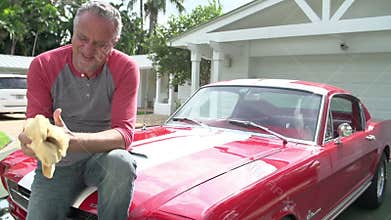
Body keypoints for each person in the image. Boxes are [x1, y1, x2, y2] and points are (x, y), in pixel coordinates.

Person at [18, 1, 139, 219]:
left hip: (102, 159)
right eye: (82, 38)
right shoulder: (43, 65)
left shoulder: (126, 68)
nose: (88, 50)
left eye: (101, 44)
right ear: (72, 33)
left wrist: (71, 141)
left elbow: (124, 135)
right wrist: (30, 139)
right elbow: (35, 122)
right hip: (58, 164)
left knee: (122, 163)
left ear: (114, 42)